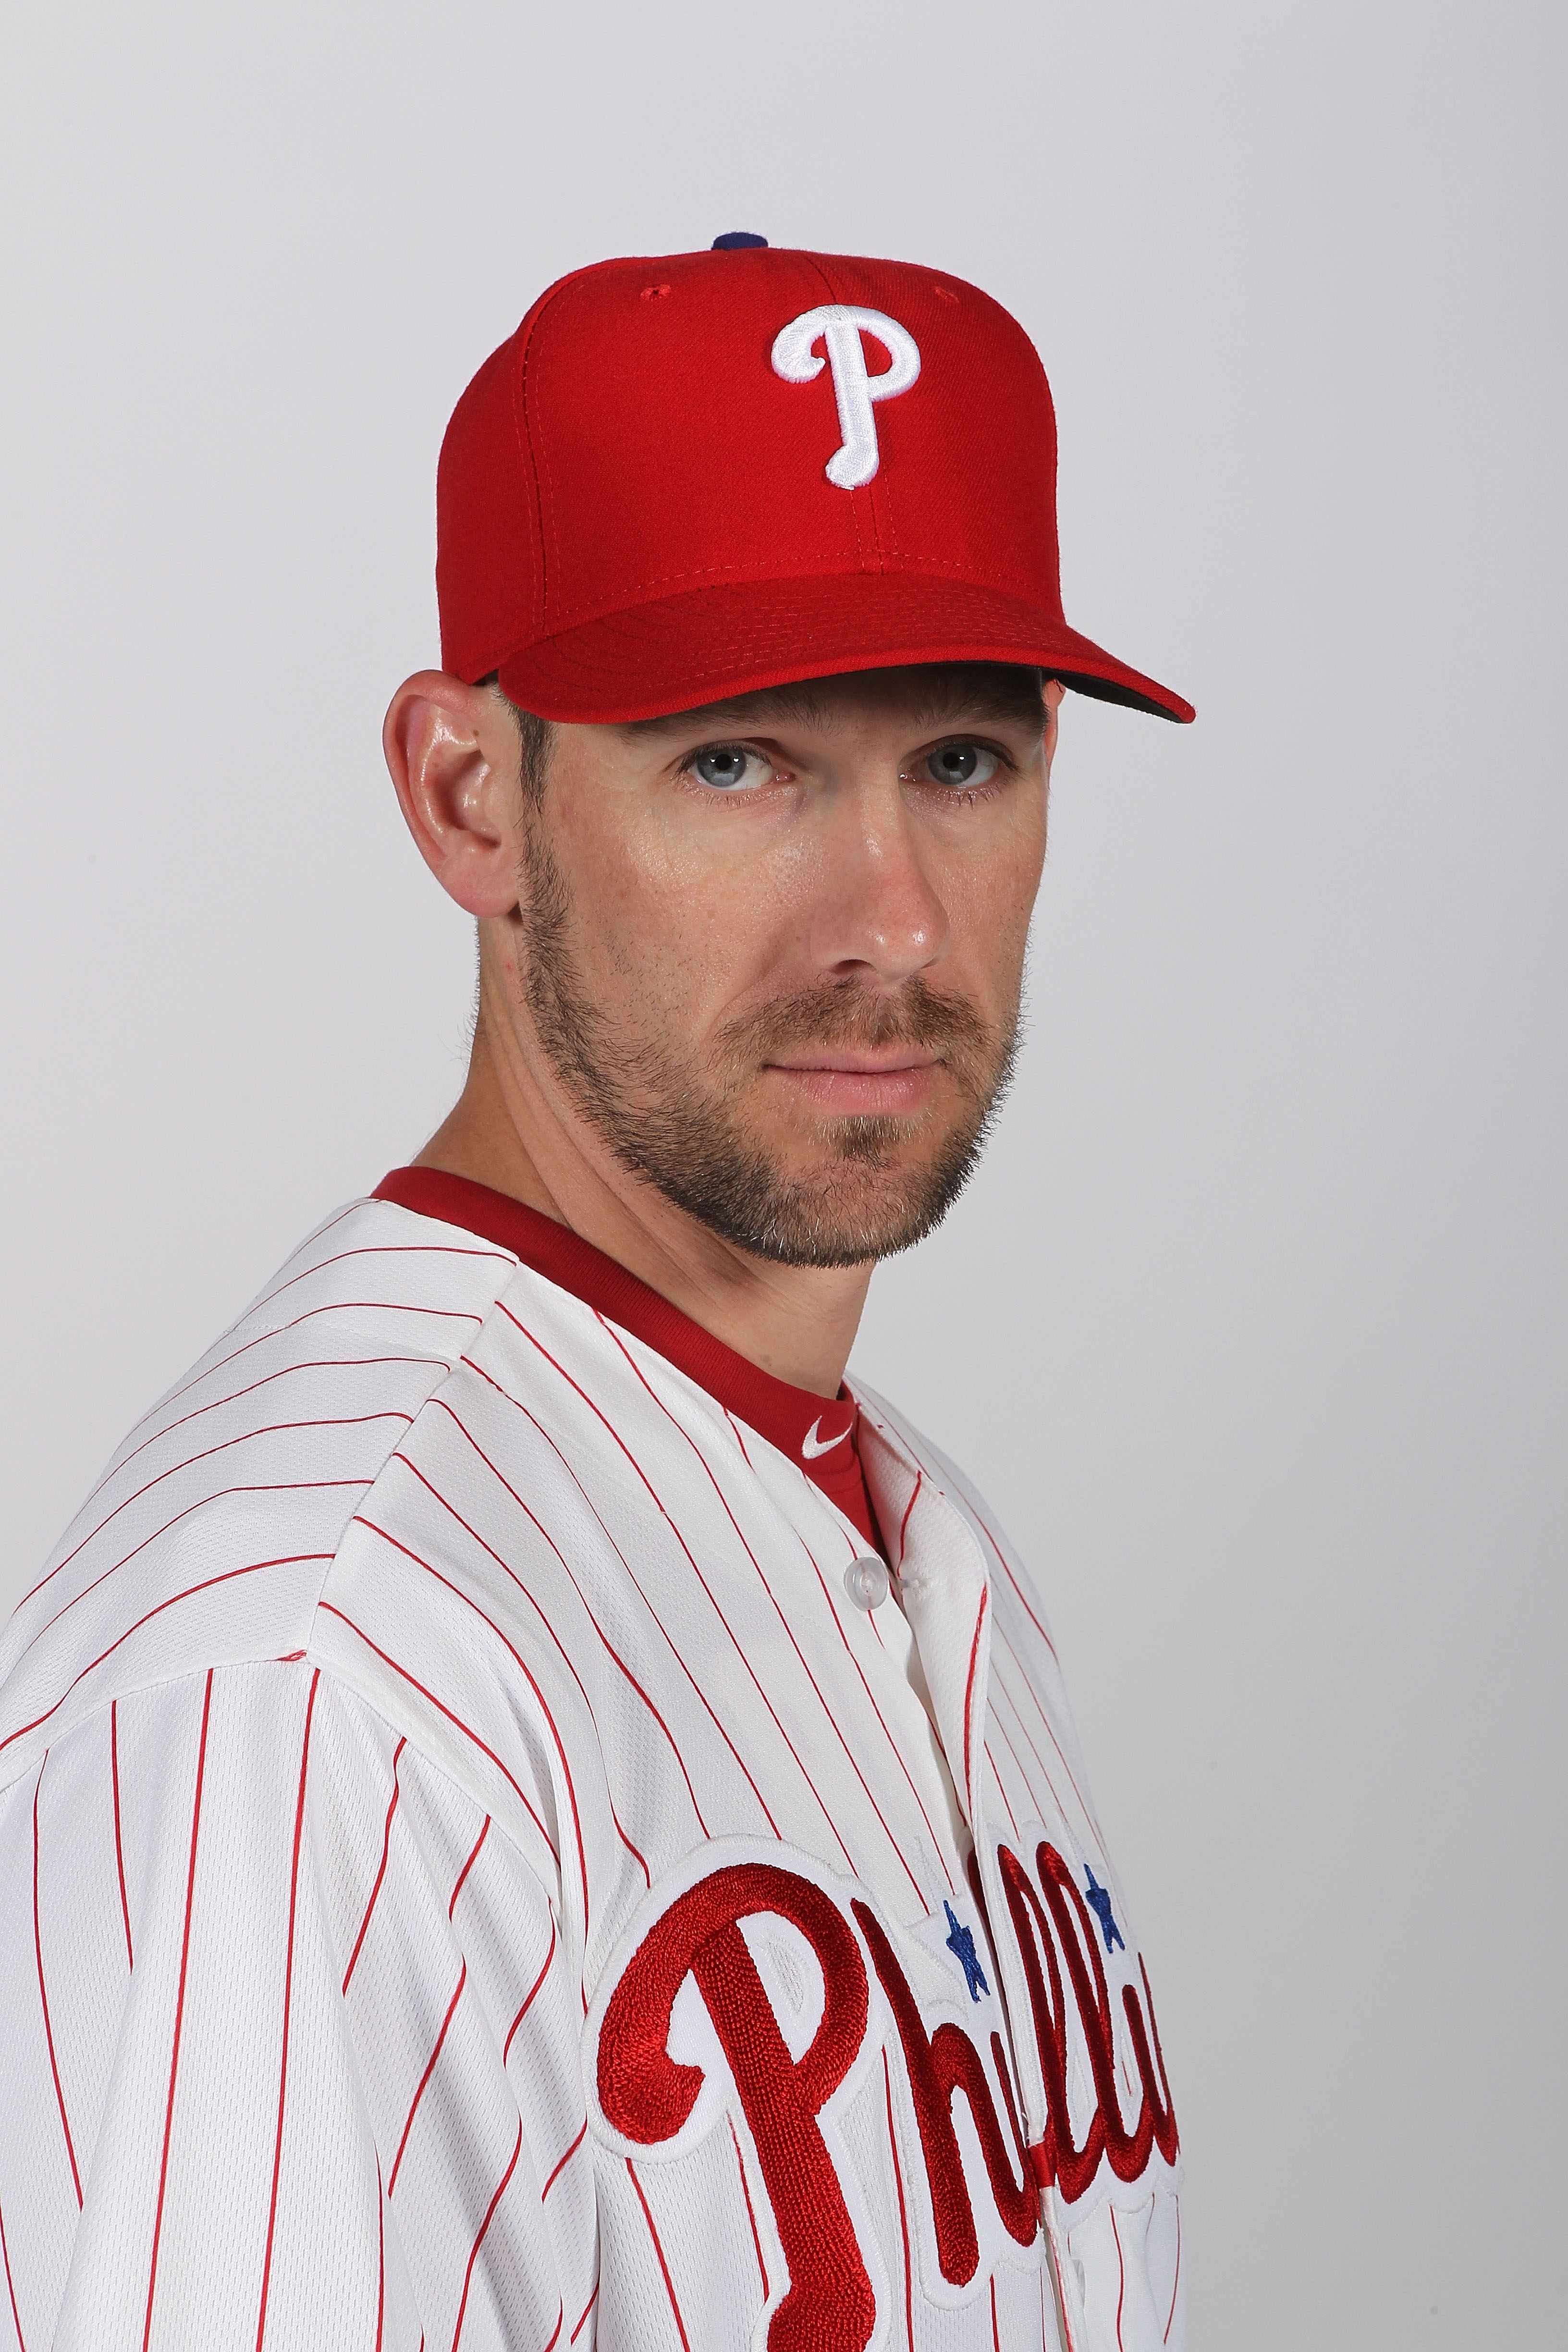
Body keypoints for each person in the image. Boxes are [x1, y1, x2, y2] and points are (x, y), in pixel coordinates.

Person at [0, 237, 1194, 2352]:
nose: (897, 926)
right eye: (740, 765)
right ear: (475, 797)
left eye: (964, 762)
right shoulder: (317, 1678)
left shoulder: (916, 1526)